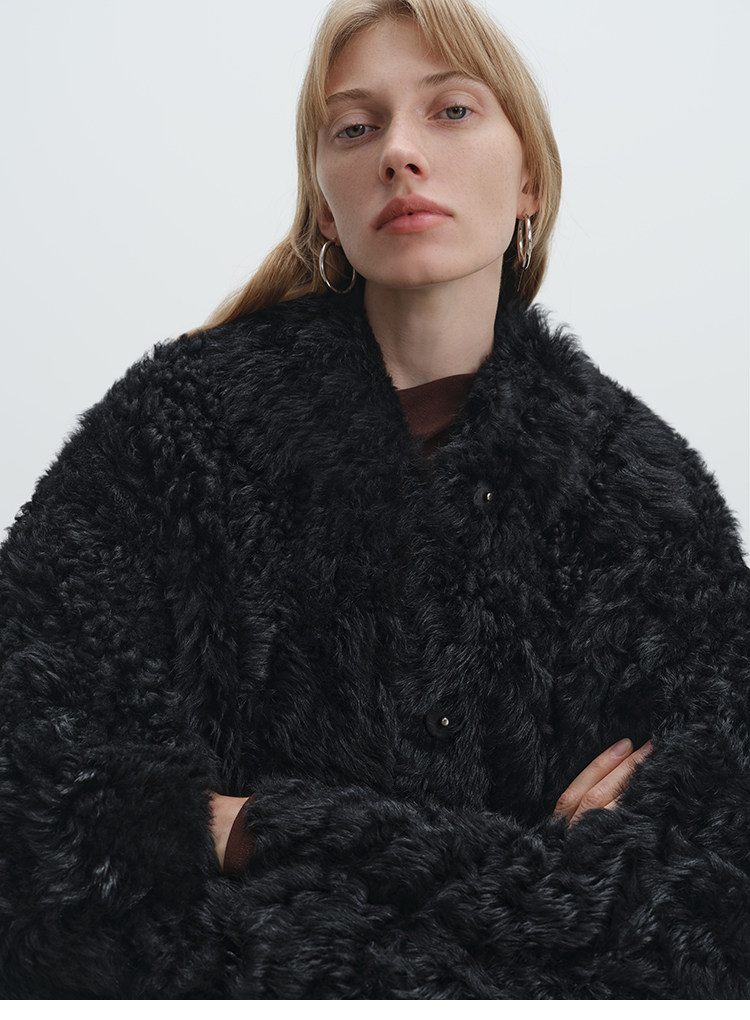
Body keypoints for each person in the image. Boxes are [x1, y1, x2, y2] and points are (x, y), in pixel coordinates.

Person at [0, 0, 747, 999]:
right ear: (323, 203)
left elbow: (701, 914)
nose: (399, 152)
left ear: (530, 179)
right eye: (355, 128)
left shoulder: (644, 495)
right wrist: (534, 878)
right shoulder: (167, 441)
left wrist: (260, 828)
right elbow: (41, 817)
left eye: (451, 111)